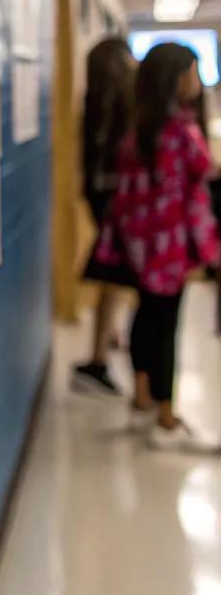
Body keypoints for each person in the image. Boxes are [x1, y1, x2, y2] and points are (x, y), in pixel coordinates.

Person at [95, 42, 219, 450]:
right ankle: (166, 418)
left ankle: (143, 395)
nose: (198, 82)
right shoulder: (180, 133)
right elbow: (197, 181)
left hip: (140, 246)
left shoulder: (138, 132)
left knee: (146, 317)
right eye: (193, 73)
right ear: (176, 80)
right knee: (167, 325)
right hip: (169, 249)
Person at [71, 36, 135, 397]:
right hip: (118, 201)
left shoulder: (94, 102)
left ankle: (109, 336)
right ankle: (99, 355)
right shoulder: (124, 104)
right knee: (113, 273)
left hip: (99, 197)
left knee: (111, 272)